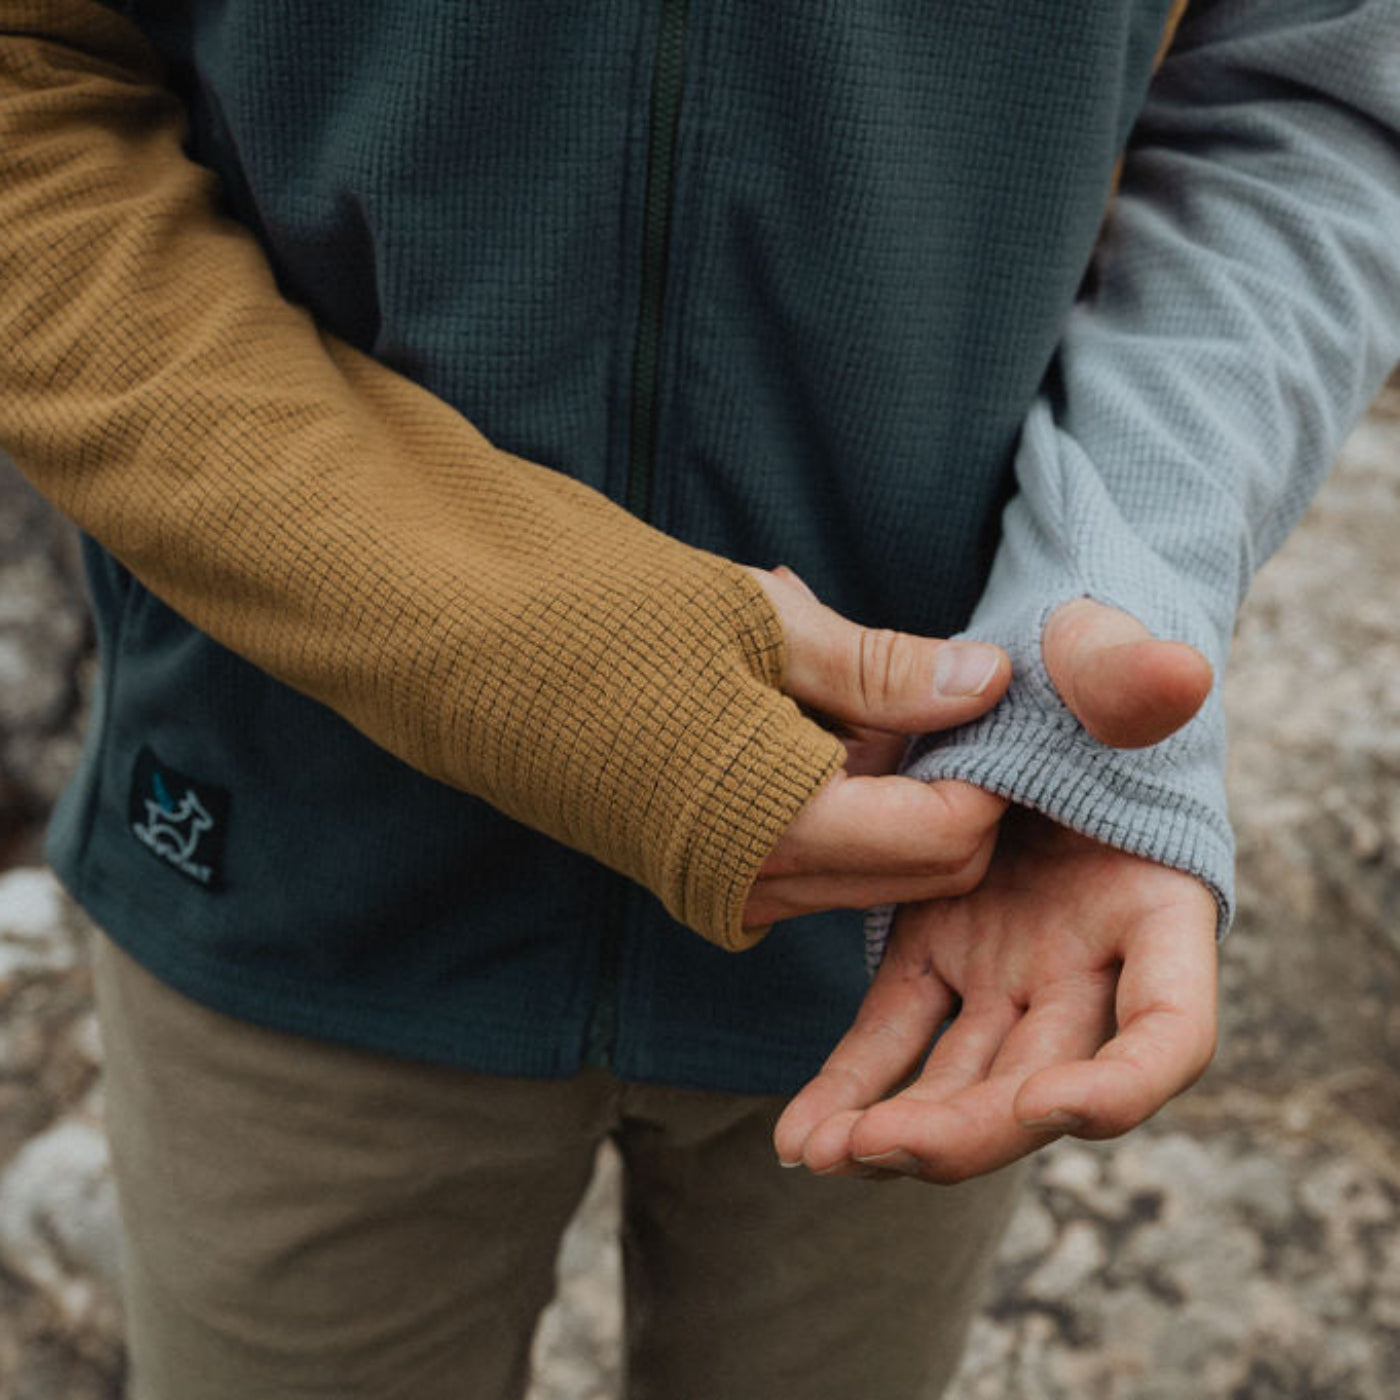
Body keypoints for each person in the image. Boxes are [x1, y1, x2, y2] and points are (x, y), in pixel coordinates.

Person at [1, 0, 1396, 1396]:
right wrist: (508, 646)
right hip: (295, 834)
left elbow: (1314, 85)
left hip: (942, 885)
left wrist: (1113, 587)